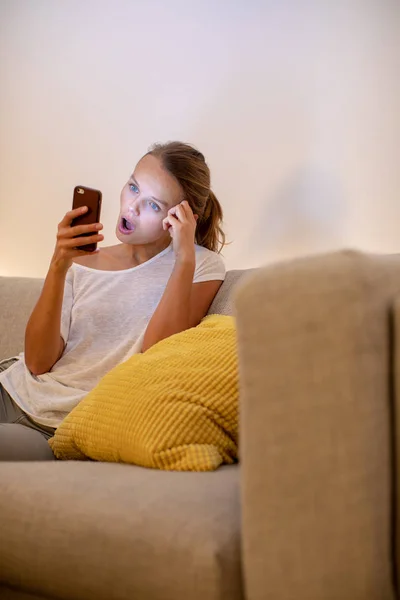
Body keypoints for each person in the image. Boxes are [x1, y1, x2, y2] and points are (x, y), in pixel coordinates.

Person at [0, 141, 226, 461]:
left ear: (182, 217)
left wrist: (184, 257)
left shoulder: (199, 265)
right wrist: (58, 265)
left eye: (152, 205)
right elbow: (37, 363)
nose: (131, 207)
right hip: (12, 386)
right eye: (133, 187)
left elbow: (156, 351)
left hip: (54, 425)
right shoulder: (83, 259)